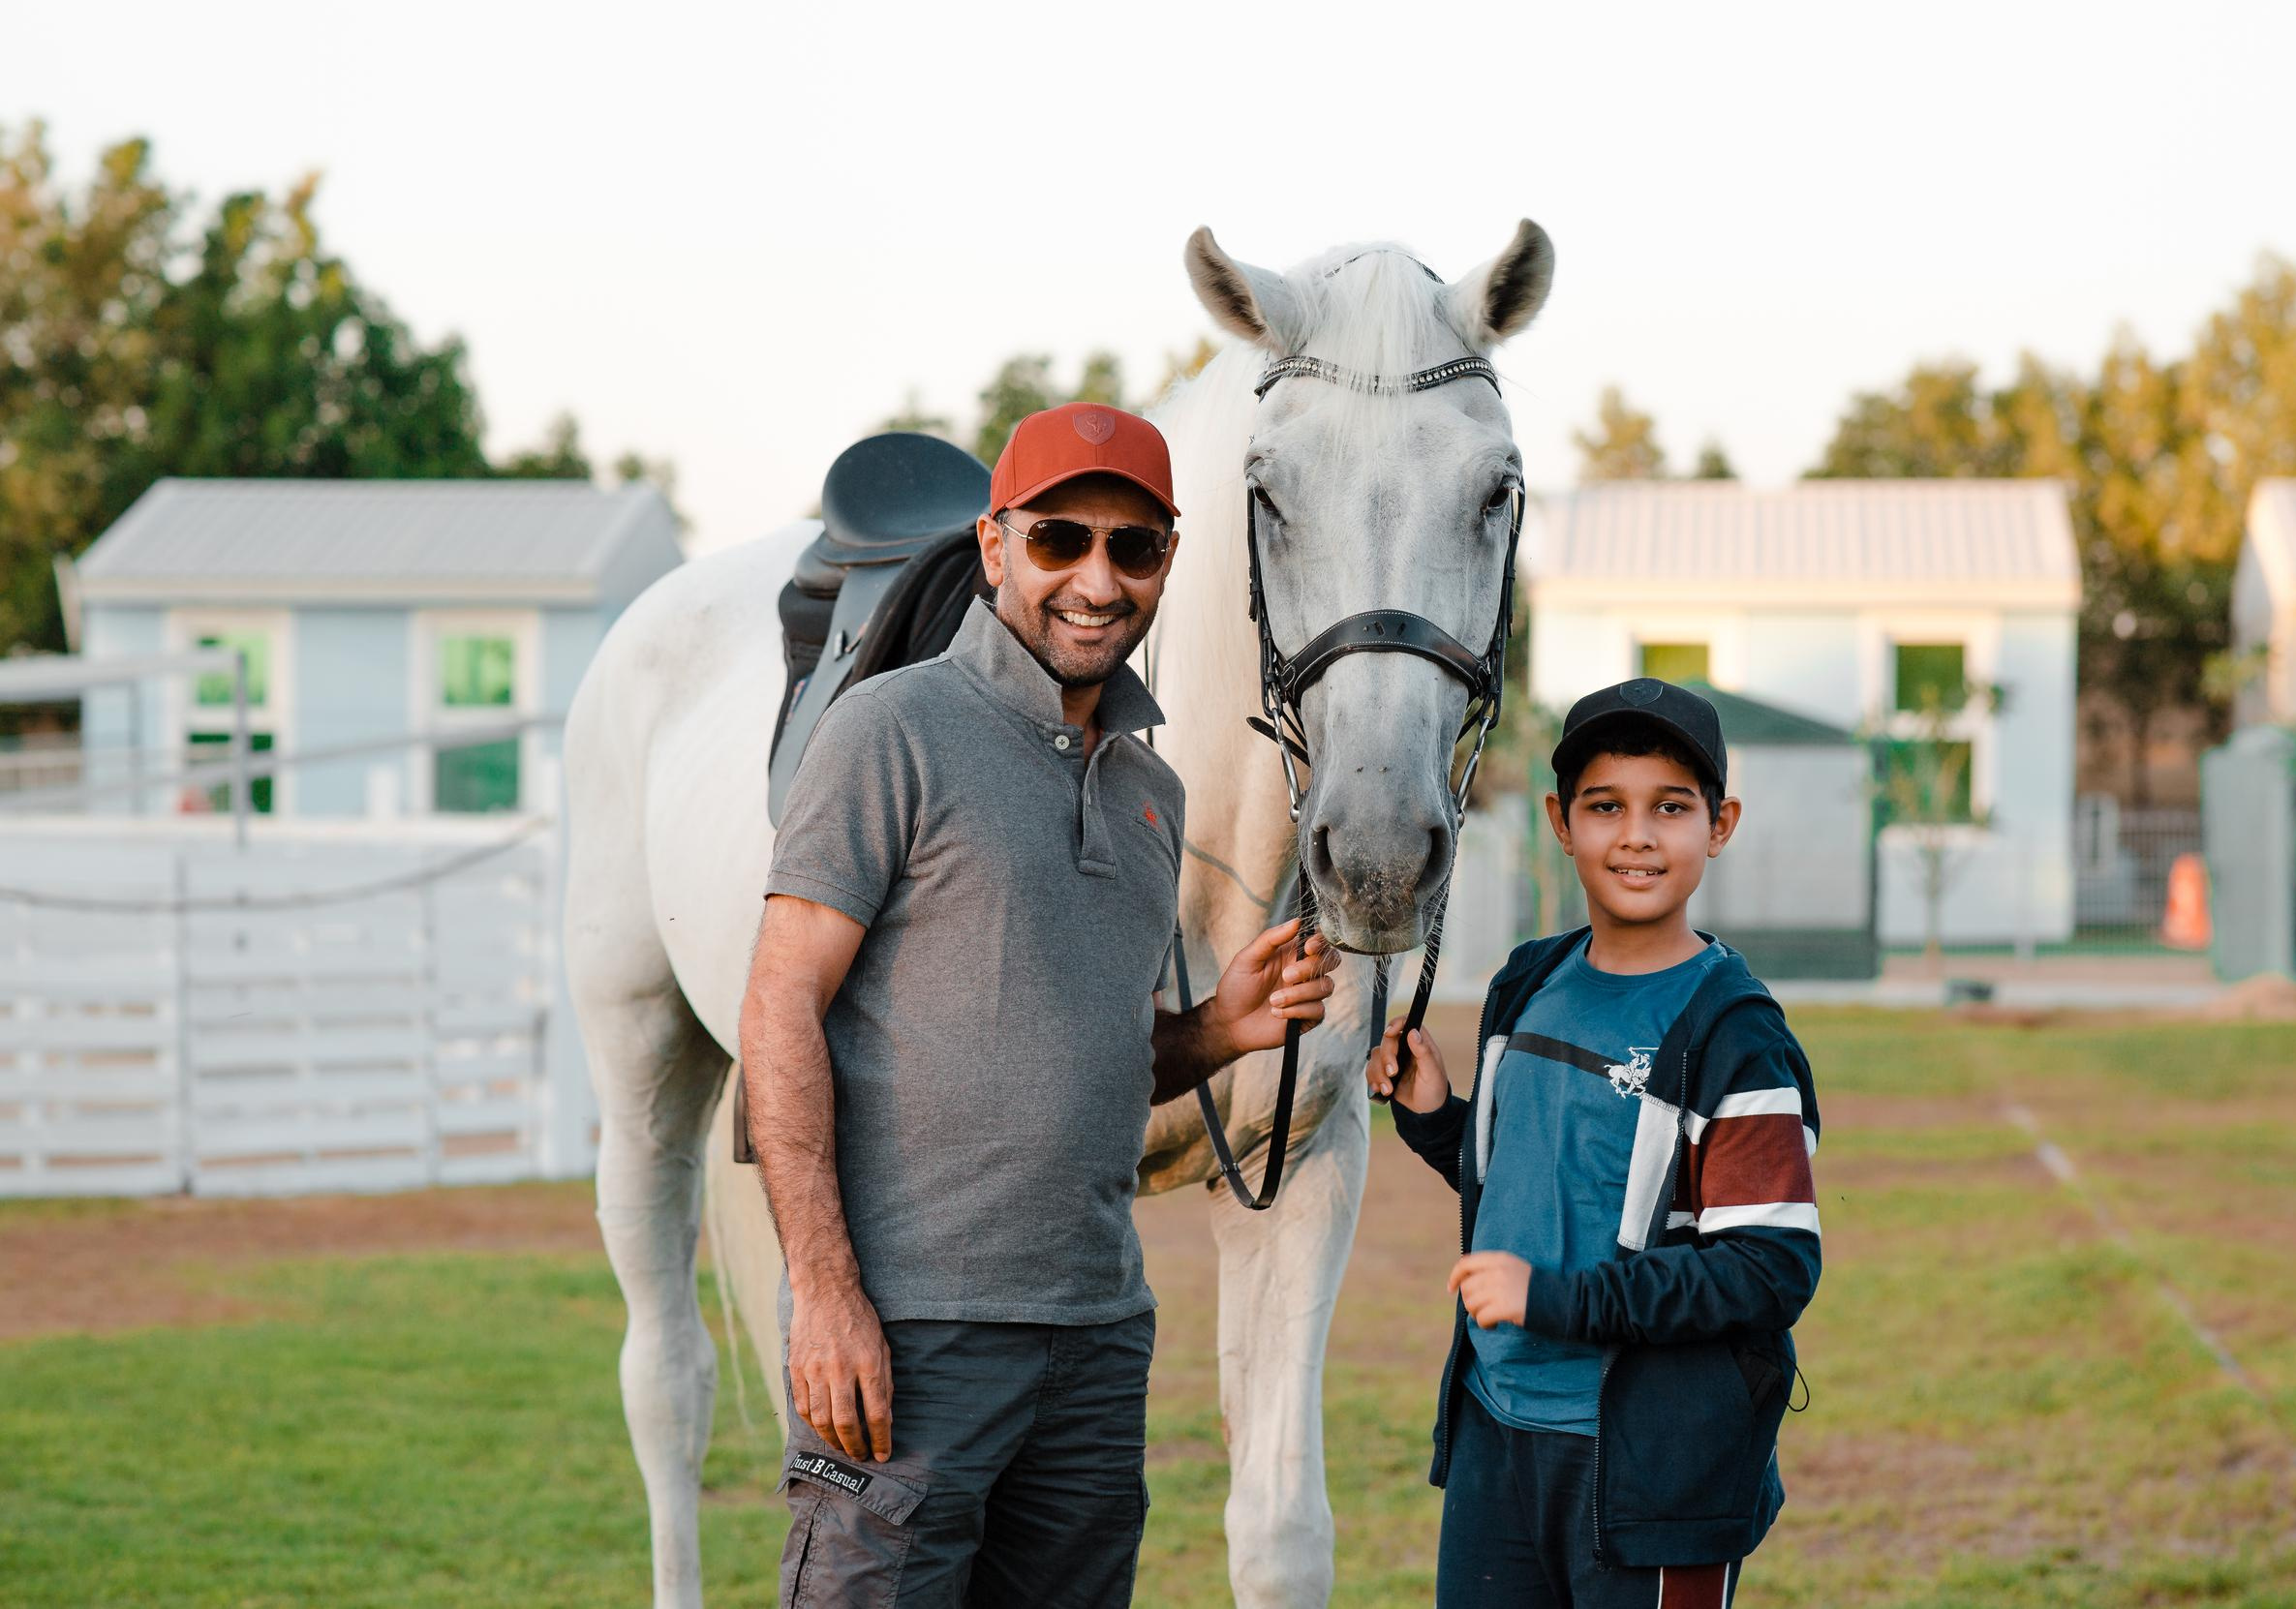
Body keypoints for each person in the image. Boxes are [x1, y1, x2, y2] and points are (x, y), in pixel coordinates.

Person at [741, 402, 1340, 1609]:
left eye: (1134, 547)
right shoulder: (889, 731)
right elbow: (777, 1011)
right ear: (996, 544)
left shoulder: (1150, 794)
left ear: (1168, 561)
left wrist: (1217, 1031)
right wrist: (826, 1295)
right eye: (1061, 538)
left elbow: (1096, 1051)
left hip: (1097, 1340)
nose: (1096, 579)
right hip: (911, 1335)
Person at [1367, 678, 1822, 1609]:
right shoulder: (1527, 982)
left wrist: (1555, 1300)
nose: (1637, 835)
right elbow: (1528, 1180)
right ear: (1561, 822)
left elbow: (1769, 1268)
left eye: (1672, 807)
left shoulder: (1735, 1033)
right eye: (1605, 806)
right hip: (1498, 1428)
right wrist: (1434, 1115)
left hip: (1652, 1469)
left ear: (1720, 823)